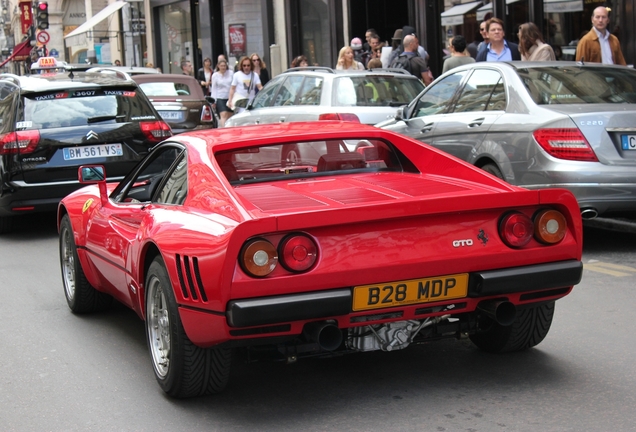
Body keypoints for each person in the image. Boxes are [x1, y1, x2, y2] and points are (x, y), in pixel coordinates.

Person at [210, 59, 234, 127]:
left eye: (224, 66)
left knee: (229, 115)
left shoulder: (231, 73)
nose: (223, 67)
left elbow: (233, 86)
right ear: (218, 66)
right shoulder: (215, 75)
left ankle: (229, 129)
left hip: (229, 97)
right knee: (223, 114)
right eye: (221, 66)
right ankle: (224, 129)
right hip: (220, 97)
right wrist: (213, 101)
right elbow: (214, 88)